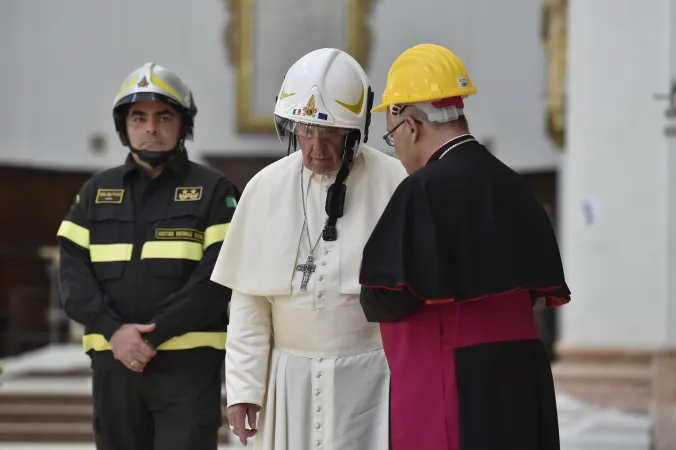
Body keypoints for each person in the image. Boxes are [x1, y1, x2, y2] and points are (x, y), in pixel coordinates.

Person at [359, 44, 572, 450]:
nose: (397, 149)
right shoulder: (516, 187)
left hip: (455, 377)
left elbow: (384, 299)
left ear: (410, 124)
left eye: (391, 136)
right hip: (522, 374)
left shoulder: (421, 191)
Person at [210, 48, 407, 450]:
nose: (317, 147)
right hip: (288, 380)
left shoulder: (395, 181)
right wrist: (244, 388)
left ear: (354, 132)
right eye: (305, 131)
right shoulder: (265, 188)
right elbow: (249, 304)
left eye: (331, 133)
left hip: (373, 378)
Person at [56, 62, 240, 450]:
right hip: (114, 362)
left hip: (187, 368)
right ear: (124, 126)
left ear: (183, 124)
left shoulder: (213, 189)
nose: (151, 127)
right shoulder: (95, 191)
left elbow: (217, 278)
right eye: (138, 117)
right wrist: (114, 331)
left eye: (164, 116)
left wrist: (151, 336)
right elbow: (73, 275)